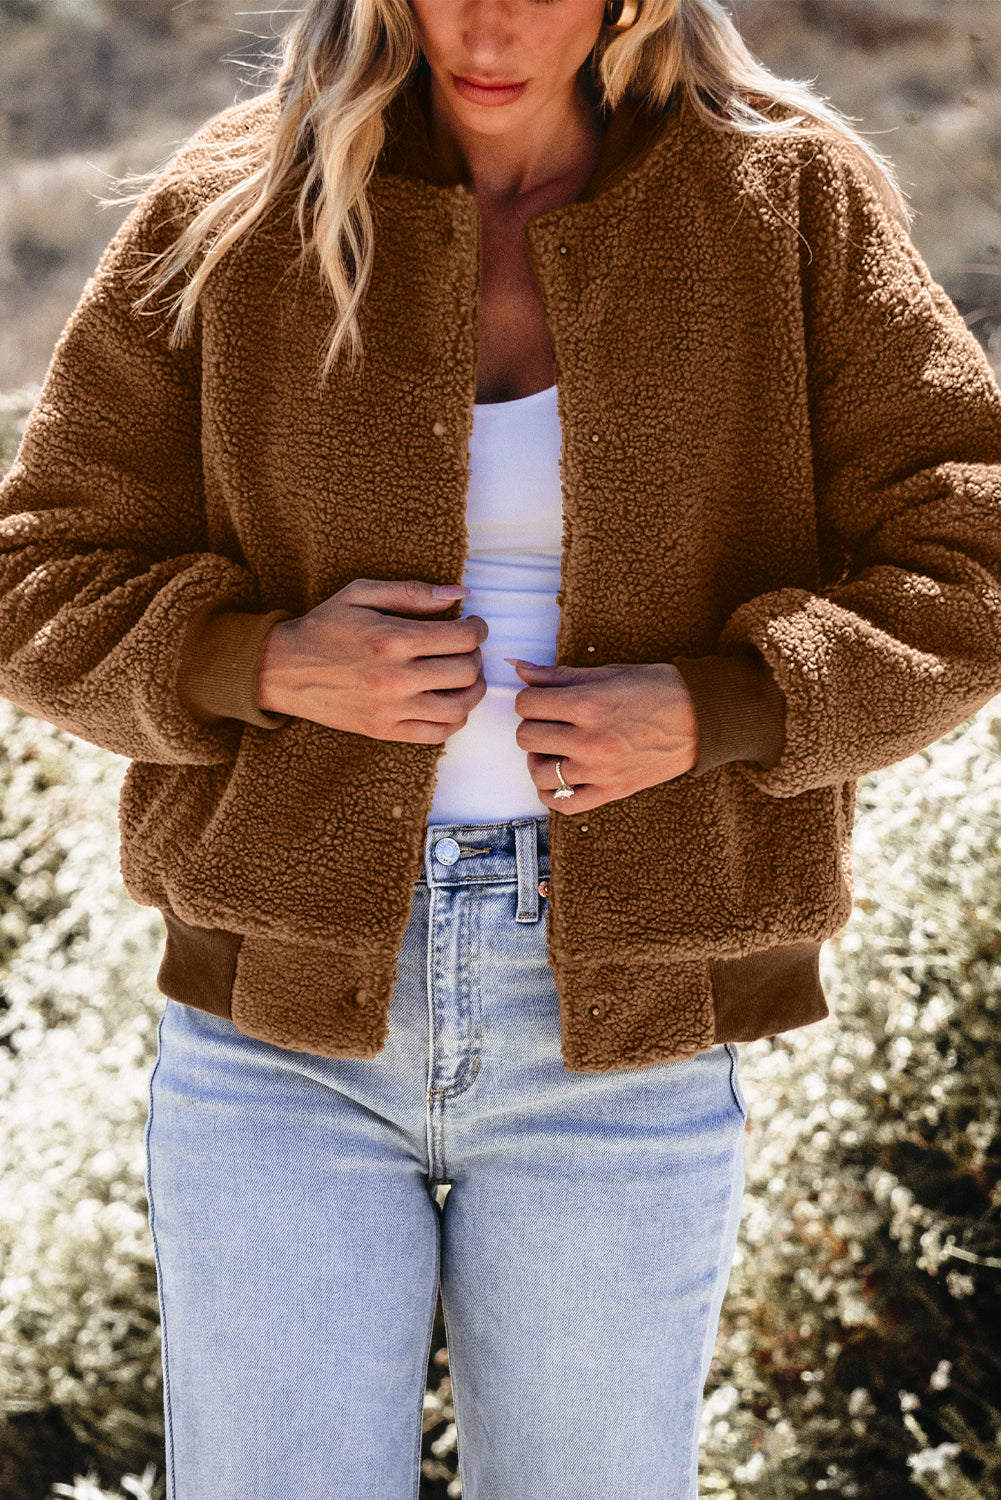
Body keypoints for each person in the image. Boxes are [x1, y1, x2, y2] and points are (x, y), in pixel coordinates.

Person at [2, 0, 1000, 1495]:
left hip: (622, 1025)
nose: (483, 19)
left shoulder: (780, 198)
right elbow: (37, 571)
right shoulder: (237, 207)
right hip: (282, 1031)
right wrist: (256, 659)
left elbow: (968, 552)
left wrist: (729, 702)